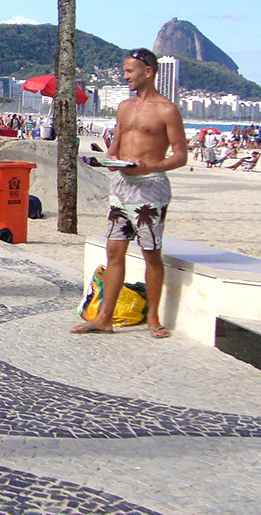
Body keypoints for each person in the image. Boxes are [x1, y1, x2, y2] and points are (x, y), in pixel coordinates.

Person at [72, 47, 187, 339]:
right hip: (121, 186)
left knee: (150, 253)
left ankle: (153, 318)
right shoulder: (124, 106)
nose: (125, 77)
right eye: (124, 71)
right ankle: (104, 318)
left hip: (150, 189)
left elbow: (181, 155)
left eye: (129, 71)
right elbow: (116, 142)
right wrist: (110, 158)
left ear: (148, 72)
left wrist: (151, 167)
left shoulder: (166, 110)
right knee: (113, 251)